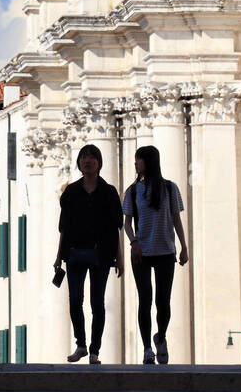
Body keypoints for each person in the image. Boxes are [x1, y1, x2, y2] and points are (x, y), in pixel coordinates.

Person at [55, 144, 124, 364]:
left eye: (92, 157)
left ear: (99, 162)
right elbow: (63, 227)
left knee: (97, 303)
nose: (87, 160)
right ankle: (81, 345)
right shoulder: (71, 193)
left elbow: (116, 228)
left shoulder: (109, 192)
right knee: (75, 300)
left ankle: (95, 350)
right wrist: (58, 257)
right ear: (79, 162)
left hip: (101, 254)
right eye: (84, 157)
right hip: (74, 253)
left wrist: (119, 258)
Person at [122, 145, 188, 365]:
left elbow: (176, 219)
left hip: (165, 250)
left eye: (138, 160)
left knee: (163, 301)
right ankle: (147, 348)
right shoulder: (132, 191)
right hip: (141, 252)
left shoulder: (170, 188)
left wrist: (184, 246)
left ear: (148, 162)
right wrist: (133, 243)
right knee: (145, 300)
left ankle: (161, 336)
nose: (135, 164)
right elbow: (127, 224)